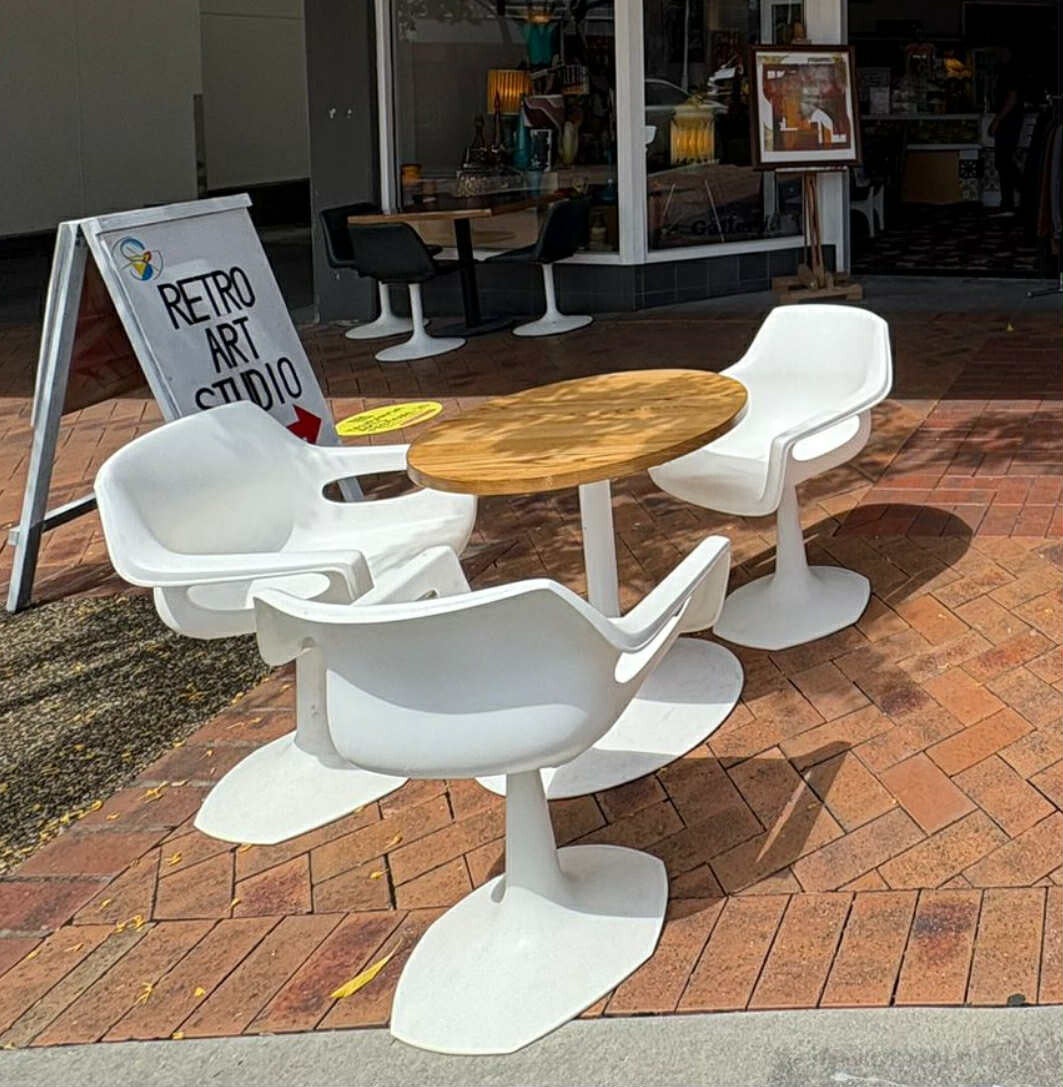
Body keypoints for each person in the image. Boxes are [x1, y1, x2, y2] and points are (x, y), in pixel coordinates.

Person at [989, 46, 1024, 214]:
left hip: (1009, 120)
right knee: (1004, 162)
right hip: (1010, 119)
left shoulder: (1010, 71)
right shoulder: (1008, 70)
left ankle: (1014, 198)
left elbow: (1012, 99)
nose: (997, 54)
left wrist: (998, 120)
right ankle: (1009, 201)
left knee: (1004, 162)